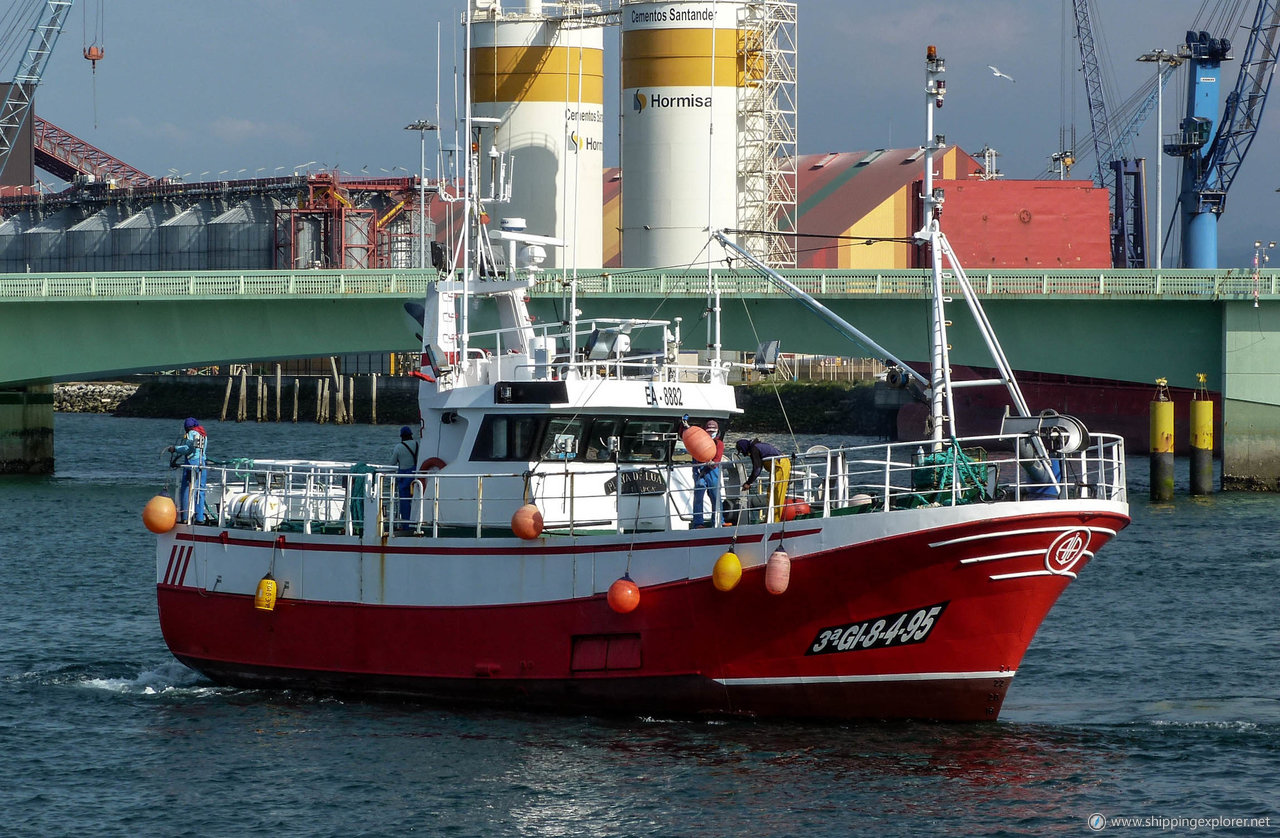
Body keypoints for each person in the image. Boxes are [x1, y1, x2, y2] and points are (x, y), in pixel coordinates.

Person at [736, 437, 791, 522]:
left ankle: (775, 520)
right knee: (770, 493)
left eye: (742, 451)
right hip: (775, 468)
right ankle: (769, 519)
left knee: (777, 494)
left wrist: (748, 483)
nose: (744, 454)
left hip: (780, 465)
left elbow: (757, 469)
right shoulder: (756, 446)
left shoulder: (754, 449)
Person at [167, 417, 208, 523]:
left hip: (191, 463)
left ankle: (185, 516)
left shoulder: (192, 433)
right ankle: (199, 517)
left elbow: (188, 449)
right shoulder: (203, 434)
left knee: (185, 488)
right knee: (200, 490)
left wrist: (175, 449)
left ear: (187, 427)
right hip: (202, 463)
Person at [690, 419, 724, 528]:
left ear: (717, 431)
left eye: (713, 431)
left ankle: (719, 521)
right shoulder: (698, 442)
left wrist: (712, 463)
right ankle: (698, 523)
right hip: (699, 470)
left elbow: (717, 459)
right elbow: (695, 454)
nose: (711, 433)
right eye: (709, 431)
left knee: (715, 497)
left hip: (713, 471)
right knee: (698, 497)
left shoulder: (719, 443)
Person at [391, 426, 420, 525]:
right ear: (411, 435)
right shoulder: (416, 444)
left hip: (403, 475)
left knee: (404, 501)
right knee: (416, 498)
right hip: (415, 473)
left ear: (401, 436)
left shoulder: (398, 447)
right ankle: (416, 520)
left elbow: (392, 462)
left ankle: (406, 523)